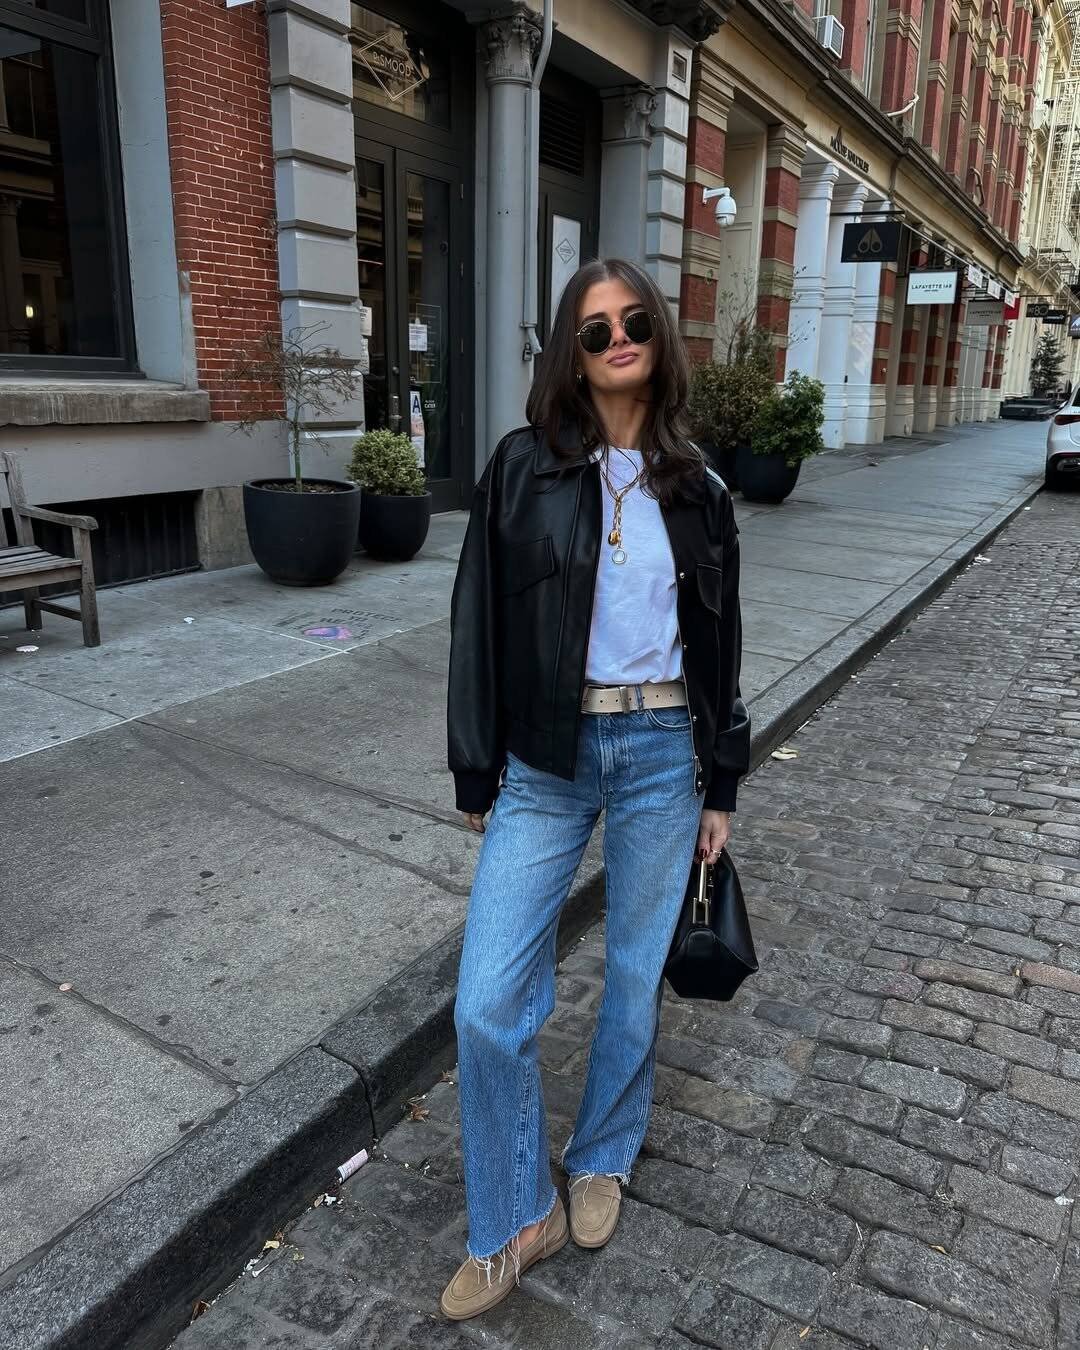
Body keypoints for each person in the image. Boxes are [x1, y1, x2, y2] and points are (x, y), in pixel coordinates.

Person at [441, 257, 749, 1321]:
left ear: (657, 335)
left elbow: (721, 647)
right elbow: (476, 618)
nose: (616, 339)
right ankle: (517, 1210)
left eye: (631, 322)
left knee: (630, 974)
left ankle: (604, 1153)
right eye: (593, 329)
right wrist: (474, 762)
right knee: (487, 1003)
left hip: (666, 747)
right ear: (569, 356)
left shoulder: (700, 491)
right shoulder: (522, 469)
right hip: (544, 757)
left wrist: (724, 783)